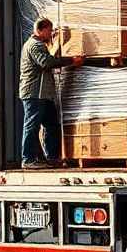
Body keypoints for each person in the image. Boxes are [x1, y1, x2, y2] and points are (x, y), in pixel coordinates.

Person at [19, 18, 84, 169]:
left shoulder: (41, 45)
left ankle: (51, 157)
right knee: (32, 126)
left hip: (45, 95)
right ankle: (28, 159)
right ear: (40, 30)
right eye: (49, 30)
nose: (51, 33)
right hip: (34, 94)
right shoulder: (35, 45)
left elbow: (49, 57)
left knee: (51, 125)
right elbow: (46, 62)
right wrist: (72, 61)